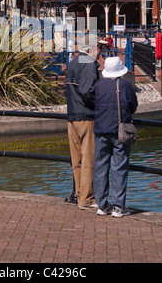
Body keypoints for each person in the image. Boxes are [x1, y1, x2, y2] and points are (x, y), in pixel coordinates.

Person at [93, 56, 138, 218]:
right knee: (119, 167)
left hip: (100, 130)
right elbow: (133, 105)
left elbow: (93, 103)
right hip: (120, 131)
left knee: (100, 168)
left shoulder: (98, 85)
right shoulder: (125, 85)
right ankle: (119, 207)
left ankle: (102, 205)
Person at [64, 34, 101, 210]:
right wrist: (99, 106)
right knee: (88, 159)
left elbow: (67, 89)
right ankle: (87, 198)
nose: (101, 51)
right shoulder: (89, 64)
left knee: (76, 159)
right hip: (86, 116)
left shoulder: (72, 63)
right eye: (99, 47)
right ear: (91, 49)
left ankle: (79, 194)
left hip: (72, 116)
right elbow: (88, 92)